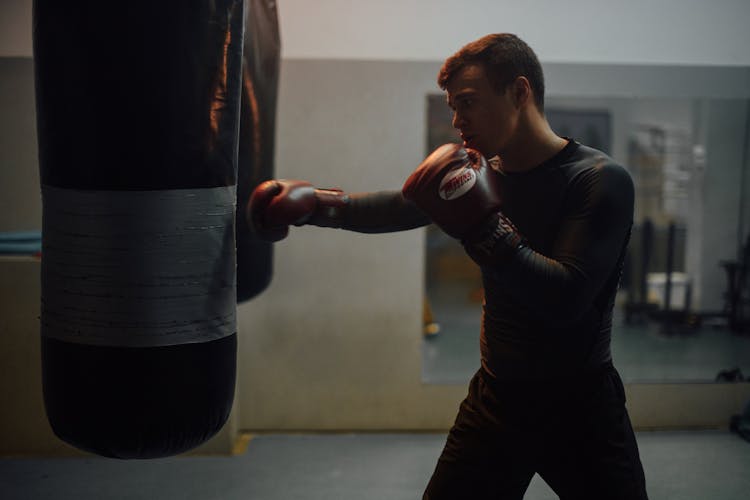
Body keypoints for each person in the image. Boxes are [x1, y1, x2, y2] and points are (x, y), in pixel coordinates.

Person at [248, 33, 648, 500]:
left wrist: (483, 229)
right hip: (497, 402)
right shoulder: (484, 175)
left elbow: (565, 298)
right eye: (452, 106)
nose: (457, 120)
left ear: (519, 92)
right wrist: (319, 204)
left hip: (581, 409)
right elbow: (401, 207)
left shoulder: (599, 180)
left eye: (468, 103)